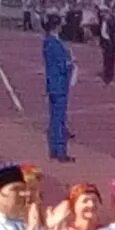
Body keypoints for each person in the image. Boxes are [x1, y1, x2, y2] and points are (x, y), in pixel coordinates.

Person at [40, 15, 76, 163]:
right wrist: (71, 63)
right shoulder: (55, 44)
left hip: (52, 84)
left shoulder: (47, 42)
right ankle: (61, 151)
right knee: (60, 118)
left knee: (54, 118)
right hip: (60, 84)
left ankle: (54, 149)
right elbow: (62, 65)